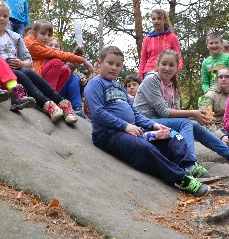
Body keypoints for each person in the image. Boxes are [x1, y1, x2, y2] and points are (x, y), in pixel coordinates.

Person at [85, 45, 210, 197]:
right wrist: (125, 126)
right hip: (109, 134)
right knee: (145, 148)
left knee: (172, 135)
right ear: (99, 62)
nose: (114, 68)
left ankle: (189, 166)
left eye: (118, 65)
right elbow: (98, 113)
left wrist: (153, 124)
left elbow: (135, 113)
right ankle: (182, 179)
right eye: (110, 63)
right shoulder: (95, 84)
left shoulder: (119, 88)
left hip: (132, 130)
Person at [133, 49, 229, 169]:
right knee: (185, 123)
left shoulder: (172, 85)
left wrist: (200, 116)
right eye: (164, 64)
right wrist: (194, 113)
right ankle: (190, 165)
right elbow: (163, 112)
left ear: (177, 68)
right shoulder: (151, 80)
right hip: (144, 122)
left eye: (171, 65)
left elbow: (176, 111)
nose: (167, 68)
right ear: (158, 65)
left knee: (194, 125)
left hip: (160, 121)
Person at [0, 1, 77, 123]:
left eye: (5, 16)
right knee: (18, 73)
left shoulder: (15, 37)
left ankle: (62, 102)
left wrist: (21, 63)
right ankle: (47, 104)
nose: (1, 18)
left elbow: (28, 61)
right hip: (0, 75)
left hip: (18, 69)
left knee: (26, 71)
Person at [24, 21, 94, 119]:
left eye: (49, 35)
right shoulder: (32, 44)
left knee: (66, 70)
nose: (46, 37)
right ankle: (50, 99)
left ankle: (75, 107)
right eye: (43, 34)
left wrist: (79, 53)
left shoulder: (43, 49)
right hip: (31, 80)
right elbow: (58, 55)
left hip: (42, 80)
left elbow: (69, 65)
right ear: (33, 33)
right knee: (57, 62)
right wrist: (83, 60)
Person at [138, 9, 183, 78]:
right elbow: (142, 61)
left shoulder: (172, 37)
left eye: (159, 18)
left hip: (166, 73)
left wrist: (175, 70)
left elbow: (178, 57)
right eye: (154, 19)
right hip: (148, 74)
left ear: (164, 20)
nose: (156, 21)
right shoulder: (147, 39)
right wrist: (140, 77)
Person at [202, 66, 229, 146]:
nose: (223, 79)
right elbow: (206, 121)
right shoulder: (208, 96)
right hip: (218, 131)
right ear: (217, 79)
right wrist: (221, 136)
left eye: (227, 76)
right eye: (220, 77)